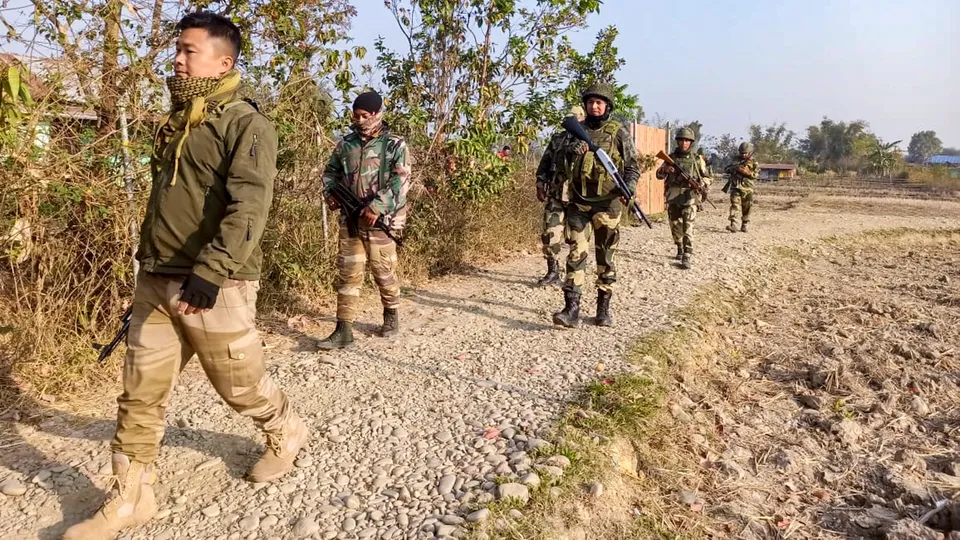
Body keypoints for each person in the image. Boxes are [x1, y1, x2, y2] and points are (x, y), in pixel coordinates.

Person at [64, 12, 308, 539]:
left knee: (239, 385)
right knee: (140, 391)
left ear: (224, 62)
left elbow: (249, 210)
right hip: (156, 276)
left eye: (189, 50)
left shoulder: (246, 124)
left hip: (214, 283)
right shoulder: (179, 118)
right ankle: (131, 496)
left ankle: (284, 429)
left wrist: (211, 272)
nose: (177, 58)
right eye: (177, 48)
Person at [316, 90, 411, 350]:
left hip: (381, 220)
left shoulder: (394, 144)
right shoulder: (346, 144)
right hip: (351, 217)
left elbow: (401, 180)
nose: (359, 120)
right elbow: (330, 173)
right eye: (356, 115)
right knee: (348, 273)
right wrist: (331, 194)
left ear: (378, 114)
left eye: (365, 115)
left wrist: (378, 206)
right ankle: (343, 329)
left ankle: (391, 313)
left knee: (383, 270)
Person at [552, 84, 640, 328]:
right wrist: (571, 149)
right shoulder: (574, 131)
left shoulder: (618, 133)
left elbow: (633, 166)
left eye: (599, 103)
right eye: (591, 102)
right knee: (575, 254)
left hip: (607, 205)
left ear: (607, 106)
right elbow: (557, 160)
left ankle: (603, 309)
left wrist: (629, 187)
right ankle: (571, 309)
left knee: (606, 256)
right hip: (579, 204)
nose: (594, 106)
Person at [534, 105, 585, 286]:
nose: (570, 122)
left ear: (581, 119)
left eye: (574, 119)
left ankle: (574, 277)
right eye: (568, 119)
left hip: (578, 199)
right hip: (556, 195)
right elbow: (545, 163)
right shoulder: (557, 139)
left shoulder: (588, 139)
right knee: (549, 235)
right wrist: (540, 184)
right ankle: (553, 271)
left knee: (576, 240)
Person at [657, 128, 711, 270]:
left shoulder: (697, 159)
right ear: (678, 141)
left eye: (687, 140)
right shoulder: (670, 158)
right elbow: (658, 174)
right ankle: (679, 247)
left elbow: (707, 177)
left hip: (690, 198)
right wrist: (666, 170)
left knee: (688, 227)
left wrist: (702, 183)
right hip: (673, 197)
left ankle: (687, 254)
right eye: (681, 140)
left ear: (691, 143)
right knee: (675, 226)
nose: (684, 143)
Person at [723, 142, 760, 232]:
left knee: (747, 207)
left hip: (748, 188)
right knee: (734, 205)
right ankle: (733, 224)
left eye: (745, 153)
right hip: (735, 186)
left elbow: (757, 175)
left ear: (749, 152)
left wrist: (748, 173)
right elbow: (726, 169)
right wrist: (734, 169)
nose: (743, 155)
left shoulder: (754, 162)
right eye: (742, 153)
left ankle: (744, 224)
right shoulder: (734, 160)